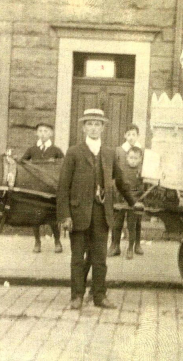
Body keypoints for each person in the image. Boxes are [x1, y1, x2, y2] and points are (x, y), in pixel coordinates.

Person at [58, 109, 143, 310]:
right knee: (77, 258)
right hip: (78, 214)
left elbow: (121, 181)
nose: (94, 128)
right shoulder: (73, 152)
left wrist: (133, 202)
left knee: (100, 258)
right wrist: (64, 216)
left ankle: (99, 296)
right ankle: (76, 296)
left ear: (103, 128)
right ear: (84, 127)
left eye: (98, 124)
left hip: (102, 213)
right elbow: (63, 187)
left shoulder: (109, 153)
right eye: (90, 124)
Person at [21, 122, 64, 253]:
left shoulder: (56, 150)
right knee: (35, 216)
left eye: (46, 131)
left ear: (51, 134)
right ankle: (37, 241)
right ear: (36, 133)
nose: (43, 134)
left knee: (52, 216)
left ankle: (57, 240)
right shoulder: (32, 150)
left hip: (51, 188)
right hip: (35, 188)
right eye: (40, 131)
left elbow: (64, 167)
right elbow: (22, 163)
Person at [108, 124, 143, 257]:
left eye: (133, 134)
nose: (131, 137)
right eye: (128, 134)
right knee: (117, 220)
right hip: (121, 193)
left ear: (137, 136)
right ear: (124, 136)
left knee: (135, 221)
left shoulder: (142, 151)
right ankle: (115, 245)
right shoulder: (119, 151)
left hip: (136, 192)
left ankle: (136, 245)